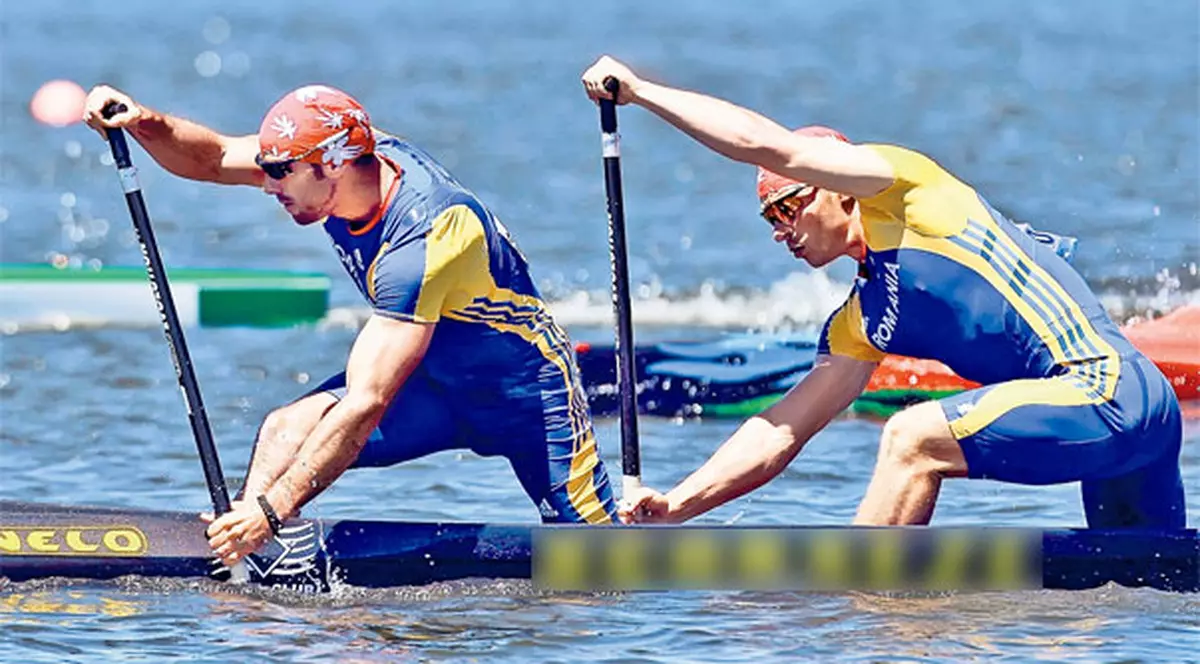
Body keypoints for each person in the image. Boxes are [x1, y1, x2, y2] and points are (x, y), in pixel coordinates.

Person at [579, 56, 1185, 529]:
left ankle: (862, 620)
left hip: (1109, 390)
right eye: (768, 220)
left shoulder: (908, 191)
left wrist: (640, 92)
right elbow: (782, 429)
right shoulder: (862, 320)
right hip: (1124, 430)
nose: (780, 231)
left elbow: (773, 147)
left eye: (788, 207)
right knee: (1137, 600)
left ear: (837, 188)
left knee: (910, 437)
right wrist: (679, 505)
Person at [83, 84, 617, 567]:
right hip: (431, 386)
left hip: (527, 398)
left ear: (331, 165)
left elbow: (367, 402)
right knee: (284, 430)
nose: (267, 186)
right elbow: (217, 156)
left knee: (604, 565)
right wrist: (142, 121)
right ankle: (240, 558)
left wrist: (276, 508)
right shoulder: (336, 155)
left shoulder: (429, 232)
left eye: (278, 173)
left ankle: (258, 526)